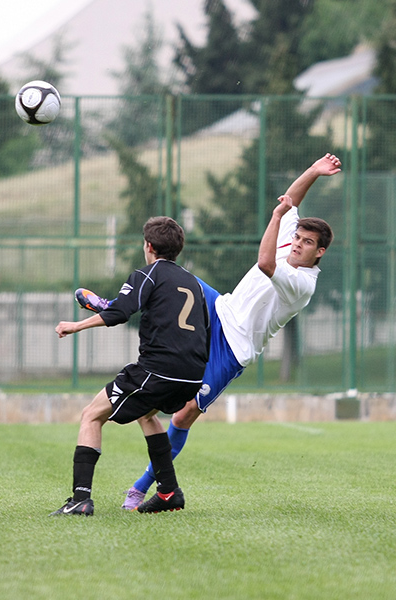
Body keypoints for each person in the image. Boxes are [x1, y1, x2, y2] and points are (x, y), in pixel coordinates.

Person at [76, 153, 341, 510]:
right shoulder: (287, 239)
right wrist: (313, 171)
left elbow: (265, 264)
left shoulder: (303, 283)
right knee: (169, 271)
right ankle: (116, 305)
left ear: (319, 252)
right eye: (298, 236)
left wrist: (277, 217)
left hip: (233, 347)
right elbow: (292, 200)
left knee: (184, 415)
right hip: (221, 307)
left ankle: (143, 488)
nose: (297, 243)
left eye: (308, 243)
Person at [50, 216, 210, 516]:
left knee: (91, 416)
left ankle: (80, 499)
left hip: (157, 368)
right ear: (179, 249)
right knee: (147, 414)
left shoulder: (146, 274)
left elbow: (121, 313)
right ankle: (168, 491)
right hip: (192, 374)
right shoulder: (193, 283)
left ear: (148, 246)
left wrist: (76, 325)